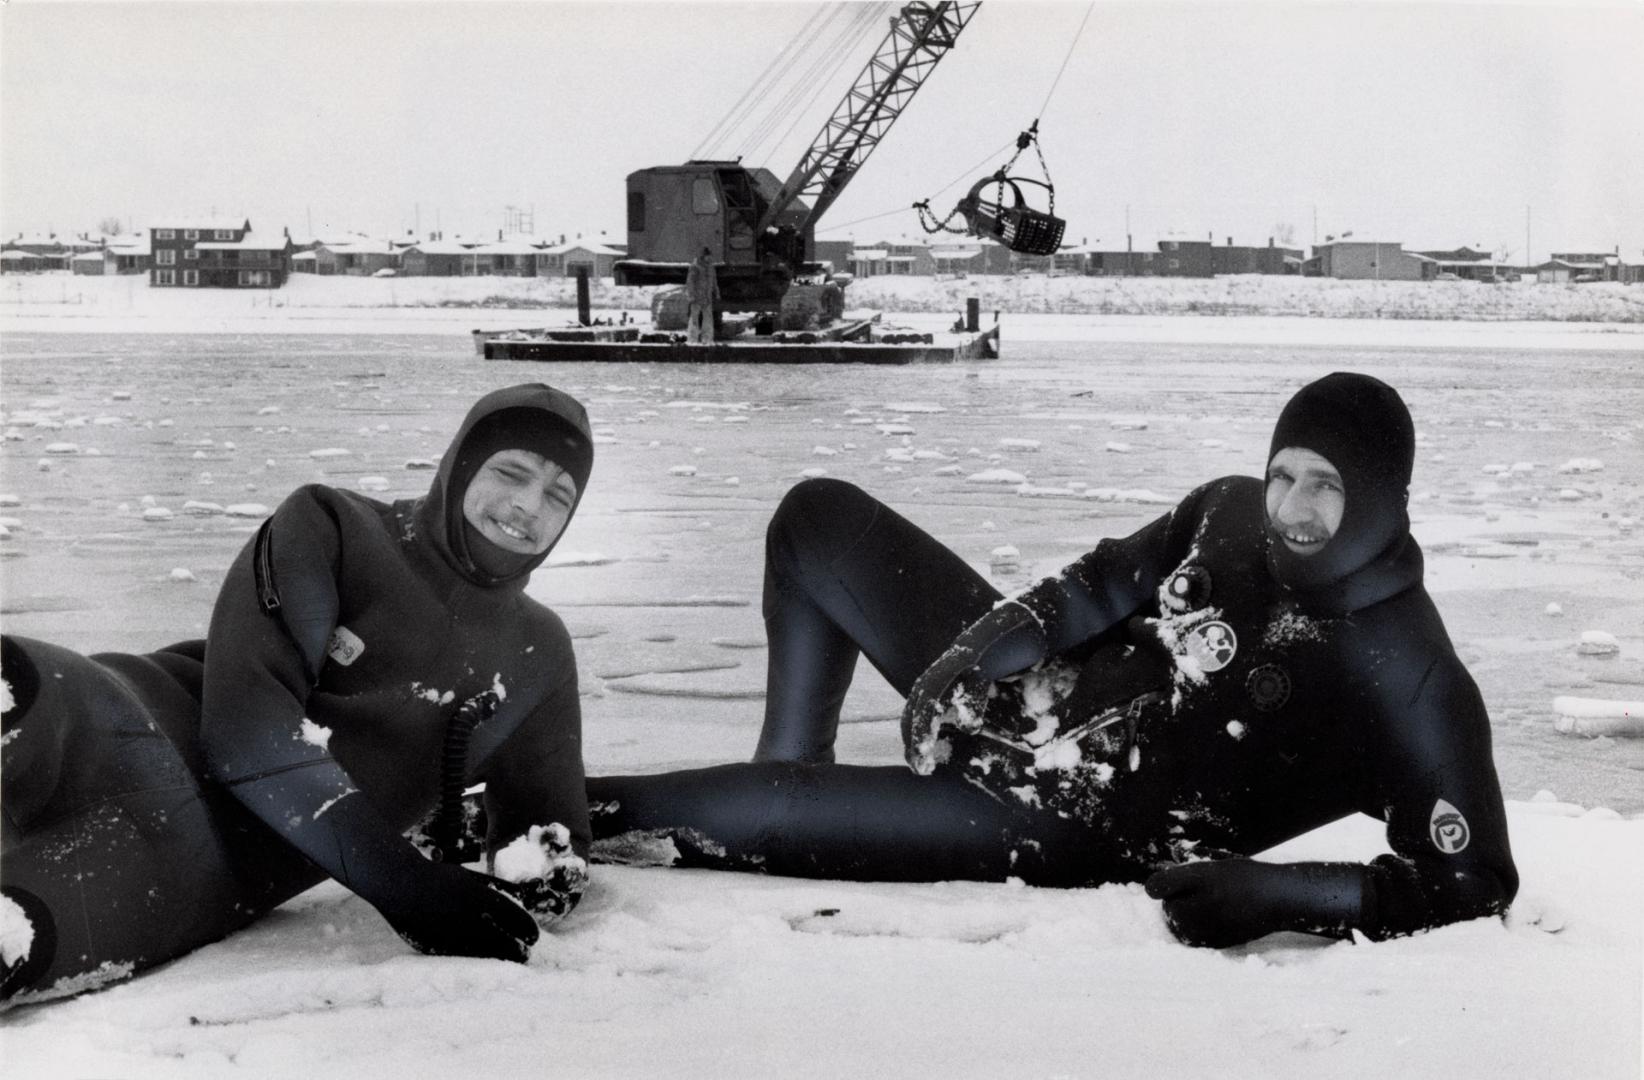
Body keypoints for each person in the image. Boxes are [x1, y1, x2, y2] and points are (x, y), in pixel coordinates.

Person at [588, 372, 1519, 948]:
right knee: (815, 518)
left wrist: (1277, 894)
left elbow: (1471, 883)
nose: (1293, 508)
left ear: (1385, 500)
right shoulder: (1228, 514)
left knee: (632, 808)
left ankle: (734, 810)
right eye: (1285, 473)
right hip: (1019, 698)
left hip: (1059, 828)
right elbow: (1105, 582)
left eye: (1327, 487)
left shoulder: (1413, 675)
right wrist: (978, 649)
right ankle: (790, 768)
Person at [2, 383, 596, 1006]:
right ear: (462, 464)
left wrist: (544, 880)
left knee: (20, 936)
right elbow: (248, 732)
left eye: (559, 495)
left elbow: (546, 828)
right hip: (116, 721)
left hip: (188, 864)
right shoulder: (334, 526)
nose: (528, 506)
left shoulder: (539, 655)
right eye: (511, 472)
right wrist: (400, 881)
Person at [684, 246, 719, 345]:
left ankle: (707, 339)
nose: (710, 258)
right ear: (703, 256)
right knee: (694, 318)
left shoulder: (711, 267)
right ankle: (692, 339)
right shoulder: (695, 267)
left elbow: (714, 281)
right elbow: (690, 282)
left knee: (708, 319)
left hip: (707, 297)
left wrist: (717, 292)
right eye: (708, 256)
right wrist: (691, 295)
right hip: (697, 297)